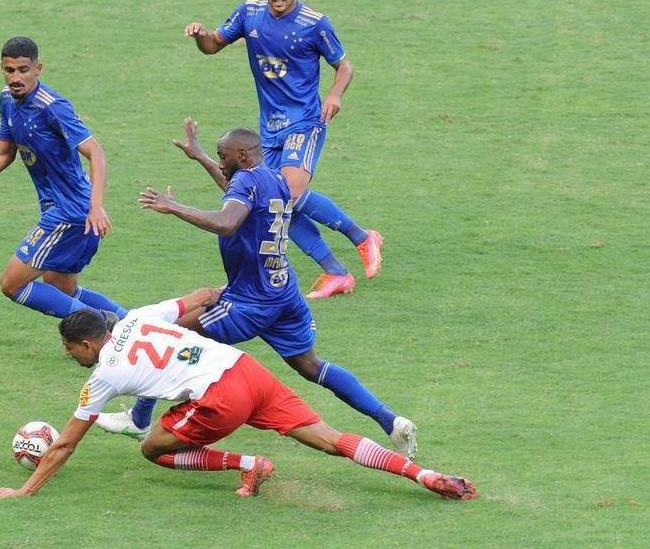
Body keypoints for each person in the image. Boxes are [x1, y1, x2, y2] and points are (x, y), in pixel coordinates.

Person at [97, 125, 417, 456]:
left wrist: (174, 206)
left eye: (223, 156)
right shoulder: (273, 178)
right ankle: (390, 421)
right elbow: (234, 192)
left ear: (243, 155)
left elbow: (227, 221)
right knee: (310, 365)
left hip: (249, 301)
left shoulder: (247, 181)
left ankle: (139, 420)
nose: (221, 163)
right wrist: (202, 158)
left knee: (166, 333)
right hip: (283, 293)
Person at [0, 290, 475, 502]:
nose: (70, 355)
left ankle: (247, 464)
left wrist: (25, 491)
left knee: (153, 449)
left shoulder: (102, 375)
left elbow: (68, 442)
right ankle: (425, 475)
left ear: (88, 344)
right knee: (329, 438)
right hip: (244, 369)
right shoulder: (137, 316)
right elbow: (200, 295)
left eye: (70, 348)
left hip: (216, 399)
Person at [184, 0, 383, 299]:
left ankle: (363, 238)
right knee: (274, 201)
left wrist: (334, 96)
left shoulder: (314, 23)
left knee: (287, 194)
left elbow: (345, 66)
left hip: (306, 121)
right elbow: (213, 45)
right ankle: (336, 272)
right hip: (269, 129)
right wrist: (201, 35)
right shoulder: (249, 14)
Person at [0, 36, 127, 319]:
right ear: (1, 68)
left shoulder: (52, 107)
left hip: (70, 213)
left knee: (12, 284)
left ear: (38, 68)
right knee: (62, 289)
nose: (16, 77)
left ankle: (101, 325)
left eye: (23, 69)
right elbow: (3, 154)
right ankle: (133, 322)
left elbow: (96, 153)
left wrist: (96, 206)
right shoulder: (6, 100)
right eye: (9, 70)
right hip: (63, 209)